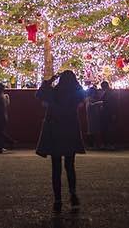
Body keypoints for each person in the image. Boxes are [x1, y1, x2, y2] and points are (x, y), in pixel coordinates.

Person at [36, 71, 86, 213]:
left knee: (56, 167)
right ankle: (73, 193)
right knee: (70, 165)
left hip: (55, 131)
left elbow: (39, 94)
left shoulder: (54, 92)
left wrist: (50, 80)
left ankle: (57, 200)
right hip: (69, 131)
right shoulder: (76, 93)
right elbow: (83, 98)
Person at [98, 81, 115, 149]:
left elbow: (109, 103)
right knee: (107, 128)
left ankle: (108, 143)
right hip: (108, 113)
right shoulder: (110, 92)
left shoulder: (108, 93)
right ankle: (108, 143)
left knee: (107, 128)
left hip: (107, 112)